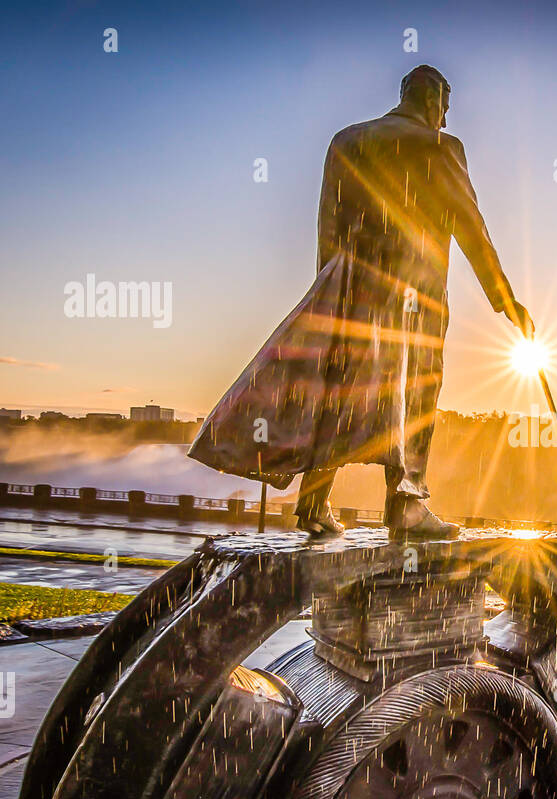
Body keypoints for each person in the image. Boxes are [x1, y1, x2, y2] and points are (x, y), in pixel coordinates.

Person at [189, 65, 532, 540]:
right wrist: (505, 299)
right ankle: (407, 502)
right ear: (433, 101)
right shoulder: (440, 147)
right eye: (446, 110)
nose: (447, 121)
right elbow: (470, 227)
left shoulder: (347, 141)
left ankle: (313, 505)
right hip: (415, 298)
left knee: (342, 391)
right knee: (414, 392)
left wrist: (327, 291)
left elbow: (327, 226)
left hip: (351, 287)